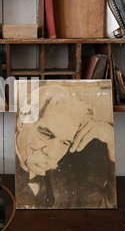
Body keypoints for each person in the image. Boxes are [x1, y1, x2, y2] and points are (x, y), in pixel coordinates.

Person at [15, 80, 116, 209]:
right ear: (22, 120)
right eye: (46, 134)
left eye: (64, 143)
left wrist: (110, 138)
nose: (52, 153)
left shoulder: (69, 177)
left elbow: (108, 204)